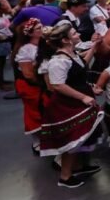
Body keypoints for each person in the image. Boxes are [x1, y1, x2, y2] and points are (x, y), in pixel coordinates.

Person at [36, 21, 103, 188]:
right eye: (74, 34)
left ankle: (79, 167)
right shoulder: (58, 60)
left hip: (78, 99)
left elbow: (81, 64)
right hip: (68, 104)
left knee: (83, 136)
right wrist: (83, 97)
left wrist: (94, 47)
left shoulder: (71, 54)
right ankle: (65, 177)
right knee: (72, 140)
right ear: (65, 40)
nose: (78, 35)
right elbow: (58, 85)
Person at [12, 18, 44, 151]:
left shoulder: (42, 44)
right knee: (34, 112)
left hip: (41, 83)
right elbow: (28, 74)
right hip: (30, 85)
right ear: (30, 33)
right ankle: (37, 141)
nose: (42, 30)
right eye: (38, 29)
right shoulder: (25, 50)